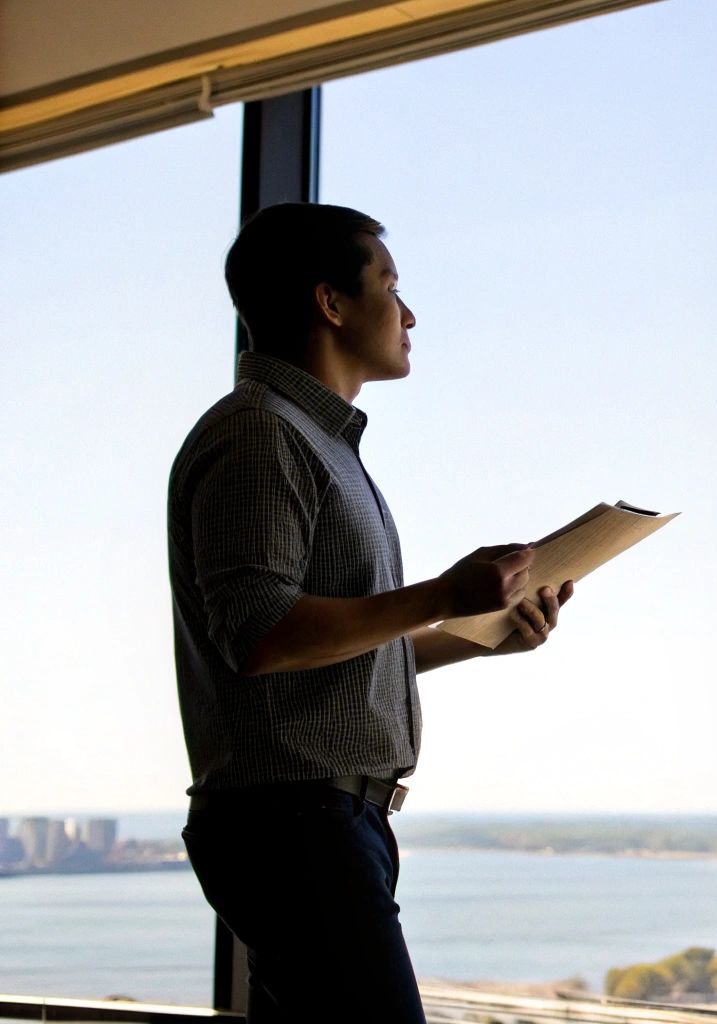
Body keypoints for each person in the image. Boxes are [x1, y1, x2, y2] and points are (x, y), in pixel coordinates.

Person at [167, 202, 573, 1021]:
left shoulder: (316, 446)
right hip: (295, 825)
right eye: (390, 284)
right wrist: (441, 595)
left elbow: (333, 644)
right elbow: (261, 635)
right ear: (331, 303)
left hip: (325, 823)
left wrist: (479, 635)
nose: (409, 311)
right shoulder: (261, 435)